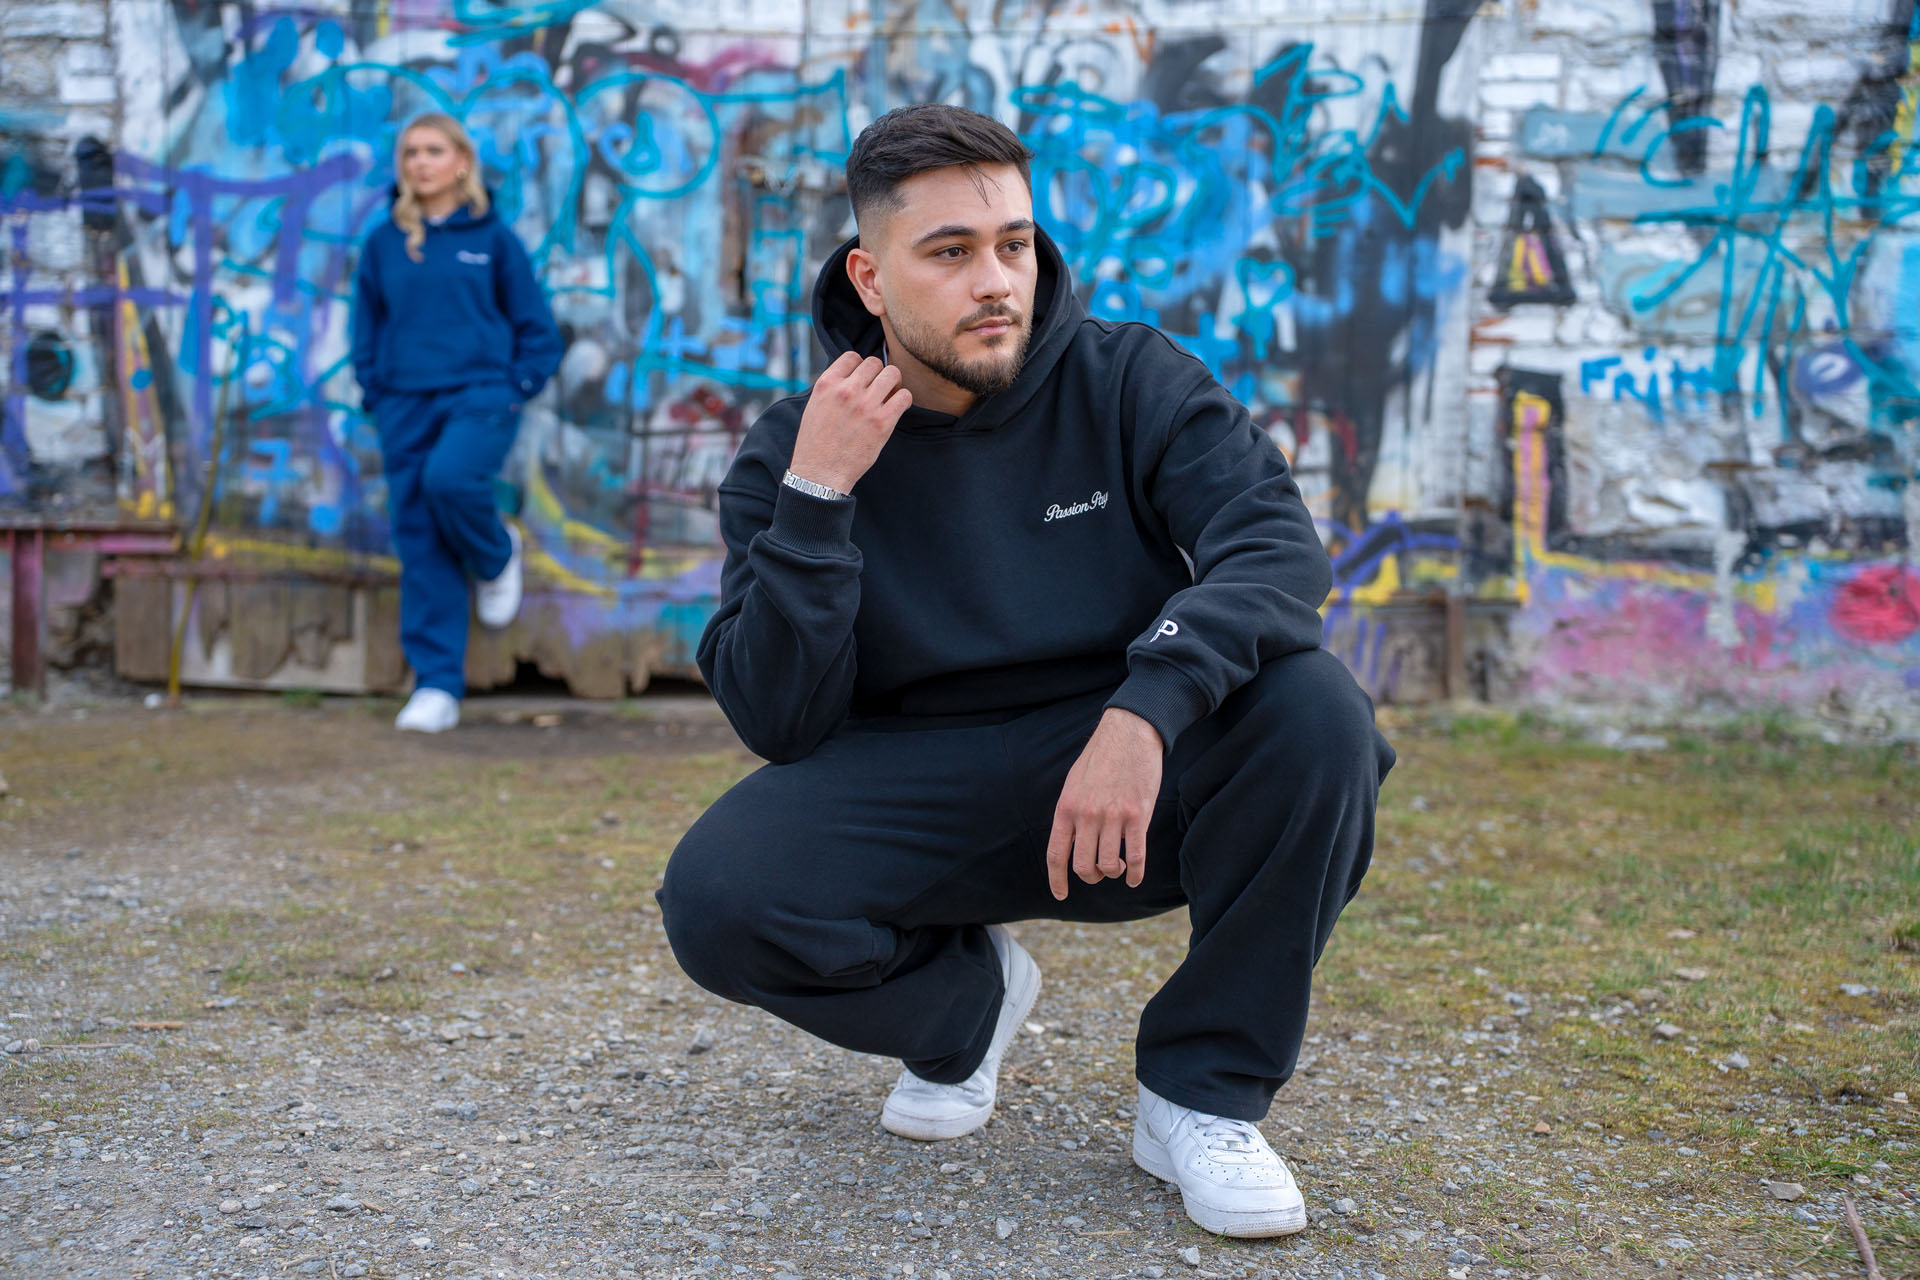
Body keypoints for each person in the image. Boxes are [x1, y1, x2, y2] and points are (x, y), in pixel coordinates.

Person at [658, 104, 1395, 1239]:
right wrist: (818, 501)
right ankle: (967, 1006)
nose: (997, 280)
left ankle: (1199, 1093)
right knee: (718, 899)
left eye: (1014, 243)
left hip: (1122, 766)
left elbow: (1273, 549)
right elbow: (776, 718)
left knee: (1316, 714)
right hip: (920, 781)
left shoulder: (1129, 379)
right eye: (950, 252)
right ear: (870, 278)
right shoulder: (795, 449)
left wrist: (1148, 709)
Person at [351, 112, 562, 733]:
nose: (421, 162)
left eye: (434, 150)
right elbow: (366, 327)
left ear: (461, 162)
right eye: (411, 152)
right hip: (403, 401)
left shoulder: (493, 240)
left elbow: (536, 330)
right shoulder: (384, 241)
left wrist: (514, 388)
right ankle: (437, 686)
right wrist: (376, 390)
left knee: (450, 480)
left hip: (478, 396)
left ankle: (495, 555)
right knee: (419, 536)